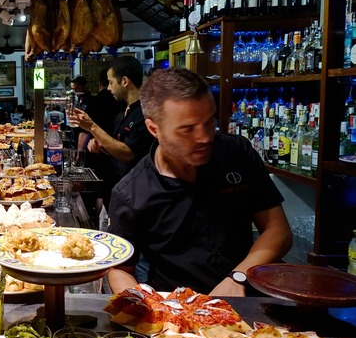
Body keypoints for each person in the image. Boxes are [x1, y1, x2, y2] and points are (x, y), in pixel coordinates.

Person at [106, 68, 293, 297]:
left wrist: (237, 278)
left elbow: (278, 231)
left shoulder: (236, 153)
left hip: (250, 297)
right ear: (154, 129)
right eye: (187, 129)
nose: (204, 137)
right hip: (178, 310)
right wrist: (146, 308)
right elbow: (120, 270)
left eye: (209, 122)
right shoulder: (131, 193)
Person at [70, 56, 155, 231]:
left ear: (124, 81)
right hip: (116, 192)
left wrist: (92, 127)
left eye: (110, 82)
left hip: (137, 198)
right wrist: (102, 147)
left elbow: (128, 154)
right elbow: (118, 149)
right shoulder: (122, 114)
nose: (108, 88)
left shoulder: (145, 114)